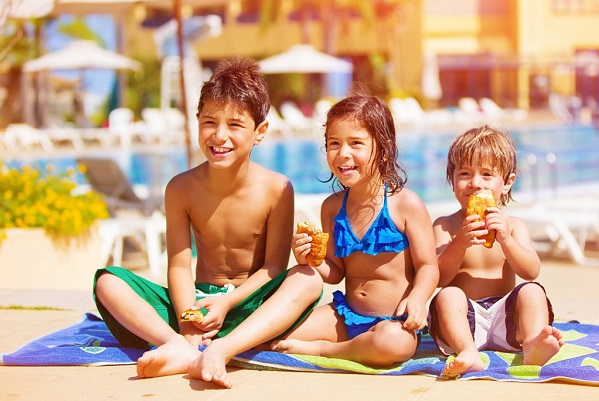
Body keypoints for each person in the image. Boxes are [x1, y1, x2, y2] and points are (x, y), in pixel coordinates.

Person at [93, 56, 322, 388]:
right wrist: (188, 321)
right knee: (107, 282)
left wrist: (228, 301)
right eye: (209, 122)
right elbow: (179, 265)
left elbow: (273, 268)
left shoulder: (277, 188)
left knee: (308, 279)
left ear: (260, 132)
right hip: (195, 305)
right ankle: (180, 346)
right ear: (196, 121)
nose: (219, 135)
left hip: (250, 304)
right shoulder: (181, 188)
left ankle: (223, 348)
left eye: (235, 125)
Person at [266, 93, 439, 367]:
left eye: (355, 143)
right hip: (346, 317)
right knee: (275, 331)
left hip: (393, 322)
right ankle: (351, 346)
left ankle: (325, 351)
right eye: (334, 143)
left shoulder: (406, 204)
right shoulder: (332, 208)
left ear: (382, 149)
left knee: (392, 344)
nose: (343, 153)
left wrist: (418, 299)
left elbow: (429, 265)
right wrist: (310, 259)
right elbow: (334, 272)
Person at [427, 125, 564, 377]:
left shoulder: (513, 226)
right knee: (448, 295)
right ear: (452, 179)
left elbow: (530, 271)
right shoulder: (445, 225)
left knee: (532, 291)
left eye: (487, 174)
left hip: (506, 320)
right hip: (464, 322)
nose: (475, 184)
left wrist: (506, 240)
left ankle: (532, 343)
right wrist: (459, 243)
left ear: (507, 183)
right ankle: (467, 352)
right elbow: (438, 279)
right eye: (465, 173)